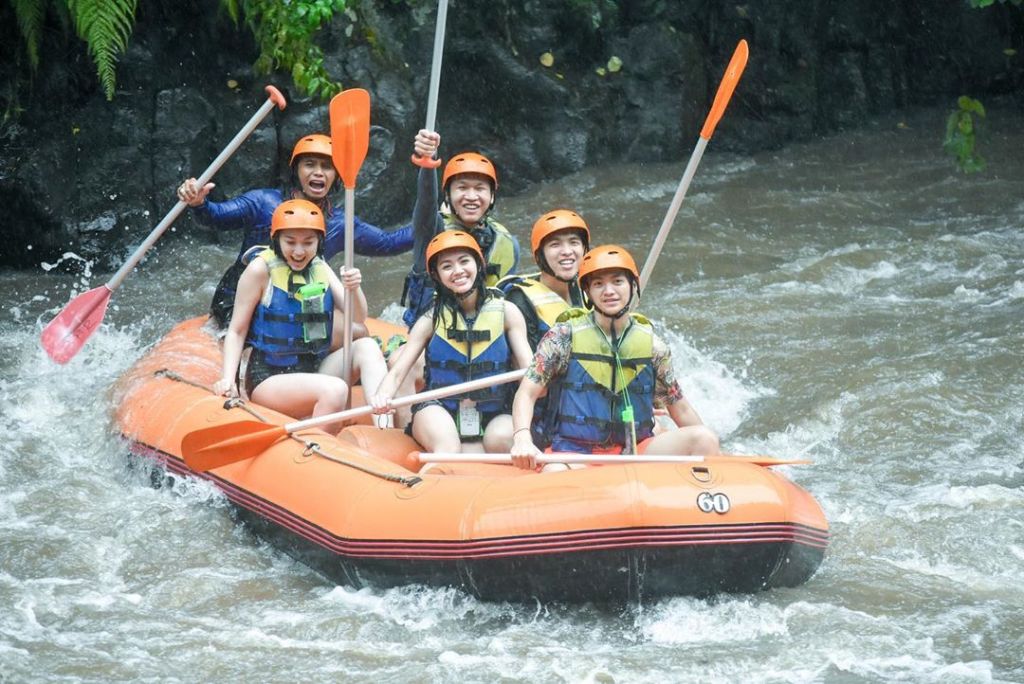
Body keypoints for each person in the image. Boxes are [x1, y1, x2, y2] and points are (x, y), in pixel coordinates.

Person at [509, 245, 720, 471]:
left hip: (636, 450)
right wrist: (522, 437)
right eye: (598, 284)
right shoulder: (563, 337)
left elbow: (681, 408)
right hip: (576, 453)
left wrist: (719, 453)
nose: (609, 291)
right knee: (555, 470)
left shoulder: (653, 346)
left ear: (632, 286)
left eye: (618, 281)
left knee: (704, 438)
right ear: (587, 291)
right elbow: (527, 393)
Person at [177, 133, 414, 329]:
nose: (318, 172)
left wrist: (433, 222)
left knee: (359, 332)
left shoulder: (340, 224)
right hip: (238, 301)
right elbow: (216, 217)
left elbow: (389, 243)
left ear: (336, 176)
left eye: (327, 167)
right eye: (309, 164)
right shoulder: (262, 202)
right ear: (296, 171)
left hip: (290, 305)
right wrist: (199, 203)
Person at [215, 199, 388, 432]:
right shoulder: (259, 270)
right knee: (335, 389)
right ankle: (320, 447)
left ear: (319, 242)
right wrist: (228, 379)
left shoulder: (320, 267)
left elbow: (357, 317)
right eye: (290, 242)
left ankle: (384, 429)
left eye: (308, 242)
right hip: (269, 379)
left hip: (314, 368)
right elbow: (237, 331)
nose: (299, 251)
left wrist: (354, 288)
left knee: (366, 346)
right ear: (276, 239)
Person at [371, 230, 532, 454]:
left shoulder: (508, 312)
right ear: (437, 276)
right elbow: (398, 373)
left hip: (493, 412)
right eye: (447, 266)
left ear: (479, 264)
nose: (458, 271)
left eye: (464, 261)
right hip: (439, 409)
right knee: (448, 447)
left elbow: (531, 374)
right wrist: (383, 396)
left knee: (502, 438)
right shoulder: (430, 320)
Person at [399, 130, 520, 328]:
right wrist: (429, 160)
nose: (471, 197)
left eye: (480, 188)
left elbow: (507, 302)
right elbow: (426, 200)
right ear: (447, 195)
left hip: (486, 333)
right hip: (431, 333)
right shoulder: (431, 229)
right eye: (462, 188)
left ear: (492, 196)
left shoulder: (507, 243)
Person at [498, 208, 589, 447]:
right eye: (555, 245)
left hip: (587, 406)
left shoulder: (594, 292)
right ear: (540, 256)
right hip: (541, 415)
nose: (567, 251)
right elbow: (536, 386)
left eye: (574, 242)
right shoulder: (520, 301)